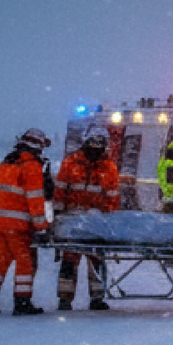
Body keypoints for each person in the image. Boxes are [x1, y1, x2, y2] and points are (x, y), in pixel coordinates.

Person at [0, 128, 53, 316]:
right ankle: (22, 302)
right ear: (38, 145)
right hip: (17, 225)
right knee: (24, 262)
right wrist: (41, 227)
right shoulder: (31, 165)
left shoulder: (7, 162)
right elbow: (35, 199)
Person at [53, 131, 120, 310]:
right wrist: (58, 217)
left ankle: (97, 298)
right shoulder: (70, 163)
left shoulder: (109, 167)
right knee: (69, 261)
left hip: (97, 222)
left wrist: (111, 222)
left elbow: (113, 197)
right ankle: (65, 298)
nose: (95, 147)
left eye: (100, 143)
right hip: (72, 221)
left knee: (96, 260)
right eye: (93, 143)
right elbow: (60, 191)